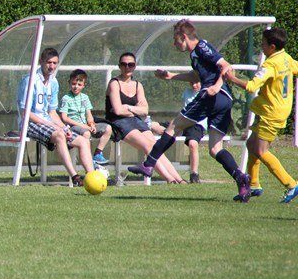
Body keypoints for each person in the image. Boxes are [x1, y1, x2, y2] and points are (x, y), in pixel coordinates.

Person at [128, 19, 251, 200]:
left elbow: (226, 66)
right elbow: (196, 75)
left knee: (173, 126)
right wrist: (171, 76)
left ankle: (148, 165)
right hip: (224, 100)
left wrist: (216, 87)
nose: (174, 43)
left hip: (212, 96)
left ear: (184, 36)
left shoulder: (201, 47)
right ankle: (241, 178)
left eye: (175, 39)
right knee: (215, 149)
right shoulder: (195, 54)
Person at [225, 27, 298, 203]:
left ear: (272, 47)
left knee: (260, 150)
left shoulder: (270, 65)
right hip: (275, 109)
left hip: (271, 113)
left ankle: (291, 184)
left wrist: (232, 78)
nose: (261, 47)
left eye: (263, 44)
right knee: (251, 145)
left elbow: (251, 86)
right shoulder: (286, 58)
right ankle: (254, 185)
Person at [16, 47, 94, 186]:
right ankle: (75, 177)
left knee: (83, 141)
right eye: (49, 62)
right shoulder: (30, 80)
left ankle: (92, 177)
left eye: (54, 63)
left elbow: (52, 112)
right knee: (59, 135)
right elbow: (25, 113)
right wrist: (53, 126)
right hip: (29, 123)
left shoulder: (54, 82)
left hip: (48, 123)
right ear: (41, 61)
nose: (51, 66)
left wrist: (64, 127)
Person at [105, 52, 184, 183]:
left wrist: (128, 107)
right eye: (124, 64)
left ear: (135, 66)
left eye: (130, 64)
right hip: (118, 122)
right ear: (119, 66)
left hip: (135, 121)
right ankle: (170, 180)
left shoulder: (138, 85)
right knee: (148, 145)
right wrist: (136, 110)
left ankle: (180, 179)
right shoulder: (114, 83)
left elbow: (145, 111)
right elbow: (118, 111)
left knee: (156, 147)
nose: (127, 67)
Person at [58, 68, 114, 166]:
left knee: (108, 128)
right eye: (73, 84)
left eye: (79, 84)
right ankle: (88, 160)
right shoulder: (66, 98)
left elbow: (88, 114)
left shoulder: (85, 98)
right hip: (73, 126)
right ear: (69, 83)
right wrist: (85, 127)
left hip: (85, 125)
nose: (76, 87)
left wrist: (91, 124)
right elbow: (64, 118)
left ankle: (98, 153)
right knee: (86, 133)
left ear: (84, 85)